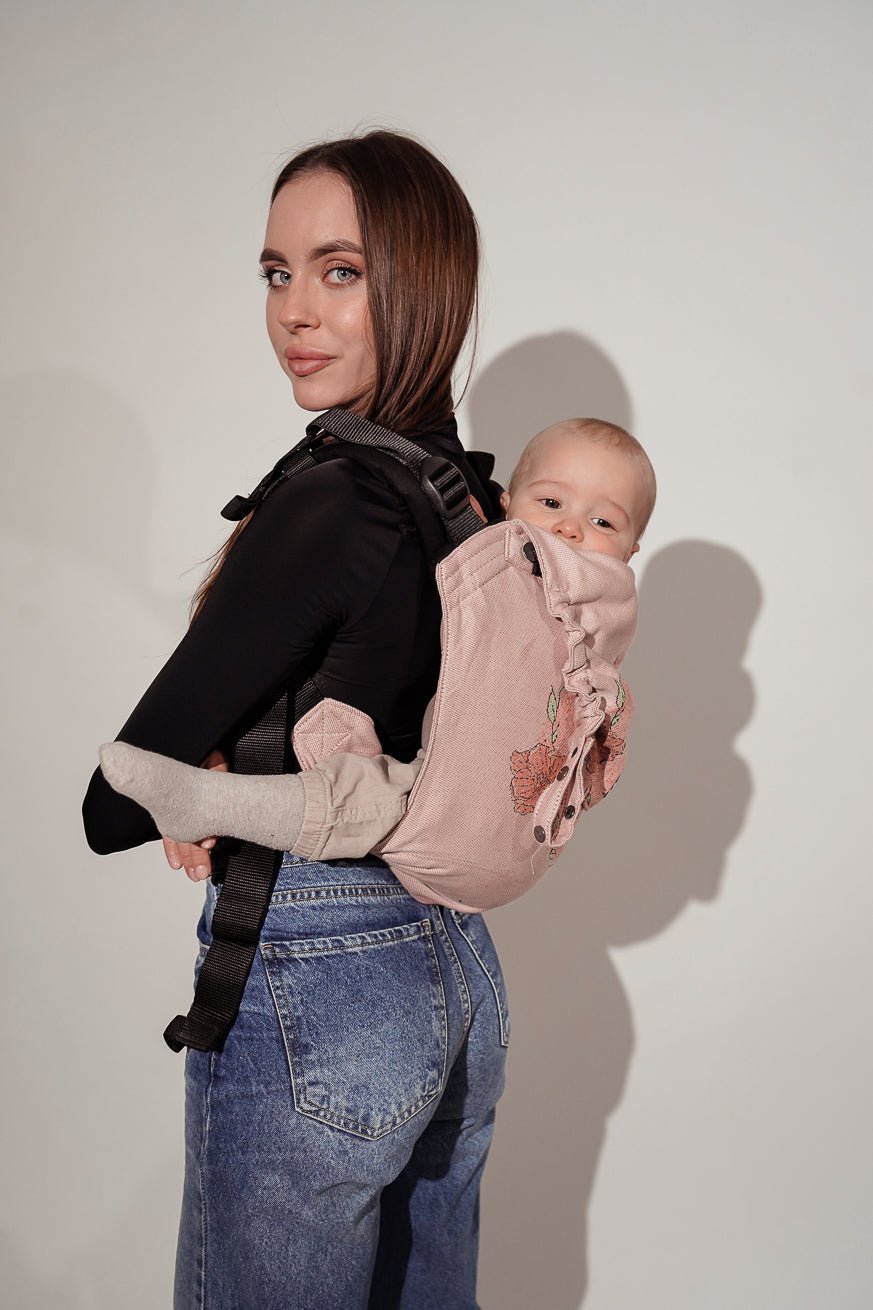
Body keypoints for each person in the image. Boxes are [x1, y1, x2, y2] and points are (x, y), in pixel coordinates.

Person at [82, 130, 509, 1310]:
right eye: (277, 273)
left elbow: (117, 798)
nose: (294, 313)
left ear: (424, 283)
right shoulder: (473, 495)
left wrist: (210, 772)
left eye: (340, 271)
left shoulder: (334, 496)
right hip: (453, 965)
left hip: (317, 975)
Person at [99, 419, 656, 891]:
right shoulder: (481, 529)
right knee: (370, 793)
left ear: (631, 551)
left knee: (365, 803)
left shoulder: (601, 595)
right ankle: (215, 800)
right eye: (551, 503)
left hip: (481, 828)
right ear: (506, 505)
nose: (569, 529)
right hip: (474, 843)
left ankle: (217, 803)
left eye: (603, 522)